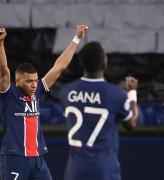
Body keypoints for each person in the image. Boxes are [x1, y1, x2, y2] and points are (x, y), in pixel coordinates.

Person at [0, 24, 88, 180]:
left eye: (36, 81)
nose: (33, 85)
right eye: (29, 81)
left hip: (37, 159)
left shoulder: (37, 91)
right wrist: (0, 43)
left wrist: (76, 38)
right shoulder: (8, 94)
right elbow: (4, 70)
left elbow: (60, 66)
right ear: (17, 82)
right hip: (14, 158)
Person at [59, 42, 139, 180]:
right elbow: (131, 124)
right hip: (104, 172)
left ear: (81, 63)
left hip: (75, 173)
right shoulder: (116, 95)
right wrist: (131, 93)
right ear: (104, 63)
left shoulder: (65, 92)